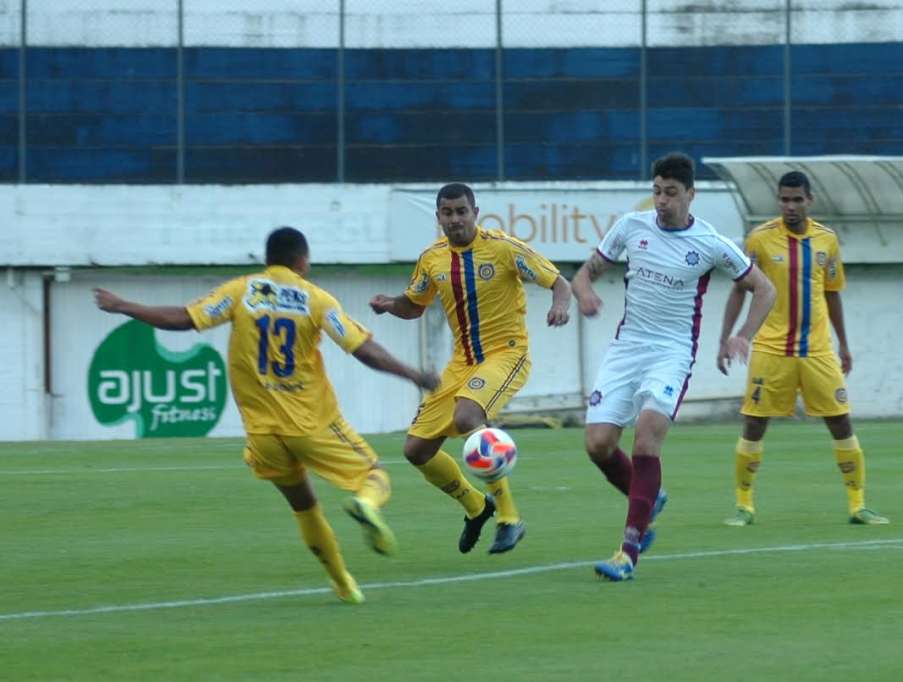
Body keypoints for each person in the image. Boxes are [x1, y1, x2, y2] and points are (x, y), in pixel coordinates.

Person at [94, 226, 439, 605]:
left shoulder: (240, 291)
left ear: (267, 259)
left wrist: (124, 305)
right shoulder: (316, 299)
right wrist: (414, 375)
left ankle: (343, 583)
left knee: (303, 506)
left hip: (263, 435)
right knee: (374, 474)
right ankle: (366, 505)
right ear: (302, 261)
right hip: (312, 424)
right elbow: (363, 349)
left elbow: (184, 318)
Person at [572, 152, 776, 582]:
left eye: (670, 193)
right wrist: (585, 292)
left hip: (672, 353)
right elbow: (584, 274)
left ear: (690, 195)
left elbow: (764, 289)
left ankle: (628, 551)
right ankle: (650, 497)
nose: (661, 201)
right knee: (598, 445)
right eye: (656, 192)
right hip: (627, 349)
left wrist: (743, 335)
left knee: (646, 437)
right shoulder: (632, 227)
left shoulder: (710, 243)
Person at [370, 182, 572, 555]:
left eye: (462, 211)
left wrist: (560, 305)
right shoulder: (432, 258)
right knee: (416, 450)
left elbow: (559, 283)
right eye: (448, 213)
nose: (455, 219)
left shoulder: (503, 248)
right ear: (438, 217)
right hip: (461, 364)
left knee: (467, 417)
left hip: (506, 355)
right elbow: (414, 306)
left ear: (475, 213)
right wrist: (389, 304)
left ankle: (509, 518)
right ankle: (477, 507)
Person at [717, 171, 889, 527]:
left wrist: (844, 344)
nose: (790, 206)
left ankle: (858, 504)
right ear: (778, 201)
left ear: (809, 200)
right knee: (754, 423)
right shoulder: (759, 239)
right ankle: (744, 506)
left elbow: (832, 293)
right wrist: (726, 339)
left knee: (840, 420)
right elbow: (738, 290)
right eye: (784, 199)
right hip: (771, 348)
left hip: (817, 350)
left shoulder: (827, 240)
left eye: (797, 199)